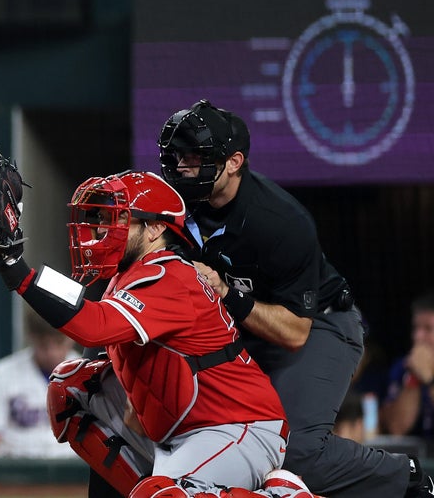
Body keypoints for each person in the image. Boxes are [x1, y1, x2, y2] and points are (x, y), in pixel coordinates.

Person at [0, 157, 314, 498]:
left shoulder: (170, 275)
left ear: (156, 228)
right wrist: (11, 264)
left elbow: (93, 326)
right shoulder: (129, 276)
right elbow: (81, 304)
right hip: (183, 426)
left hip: (236, 425)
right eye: (100, 217)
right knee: (71, 388)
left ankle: (282, 493)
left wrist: (17, 268)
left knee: (160, 496)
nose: (101, 228)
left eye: (117, 218)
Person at [157, 99, 433, 498]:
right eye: (178, 156)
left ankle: (405, 478)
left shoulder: (280, 220)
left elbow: (294, 332)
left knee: (295, 449)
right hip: (239, 325)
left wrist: (226, 293)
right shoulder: (176, 203)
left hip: (318, 323)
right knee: (196, 429)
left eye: (195, 157)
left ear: (233, 162)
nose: (182, 166)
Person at [0, 310, 78, 459]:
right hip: (16, 468)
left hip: (74, 470)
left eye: (59, 342)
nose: (51, 352)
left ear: (72, 337)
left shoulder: (91, 373)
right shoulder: (2, 374)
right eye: (43, 345)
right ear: (31, 338)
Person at [380, 292, 434, 439]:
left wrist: (429, 380)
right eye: (415, 328)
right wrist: (414, 377)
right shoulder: (403, 367)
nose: (418, 337)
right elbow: (396, 428)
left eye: (428, 329)